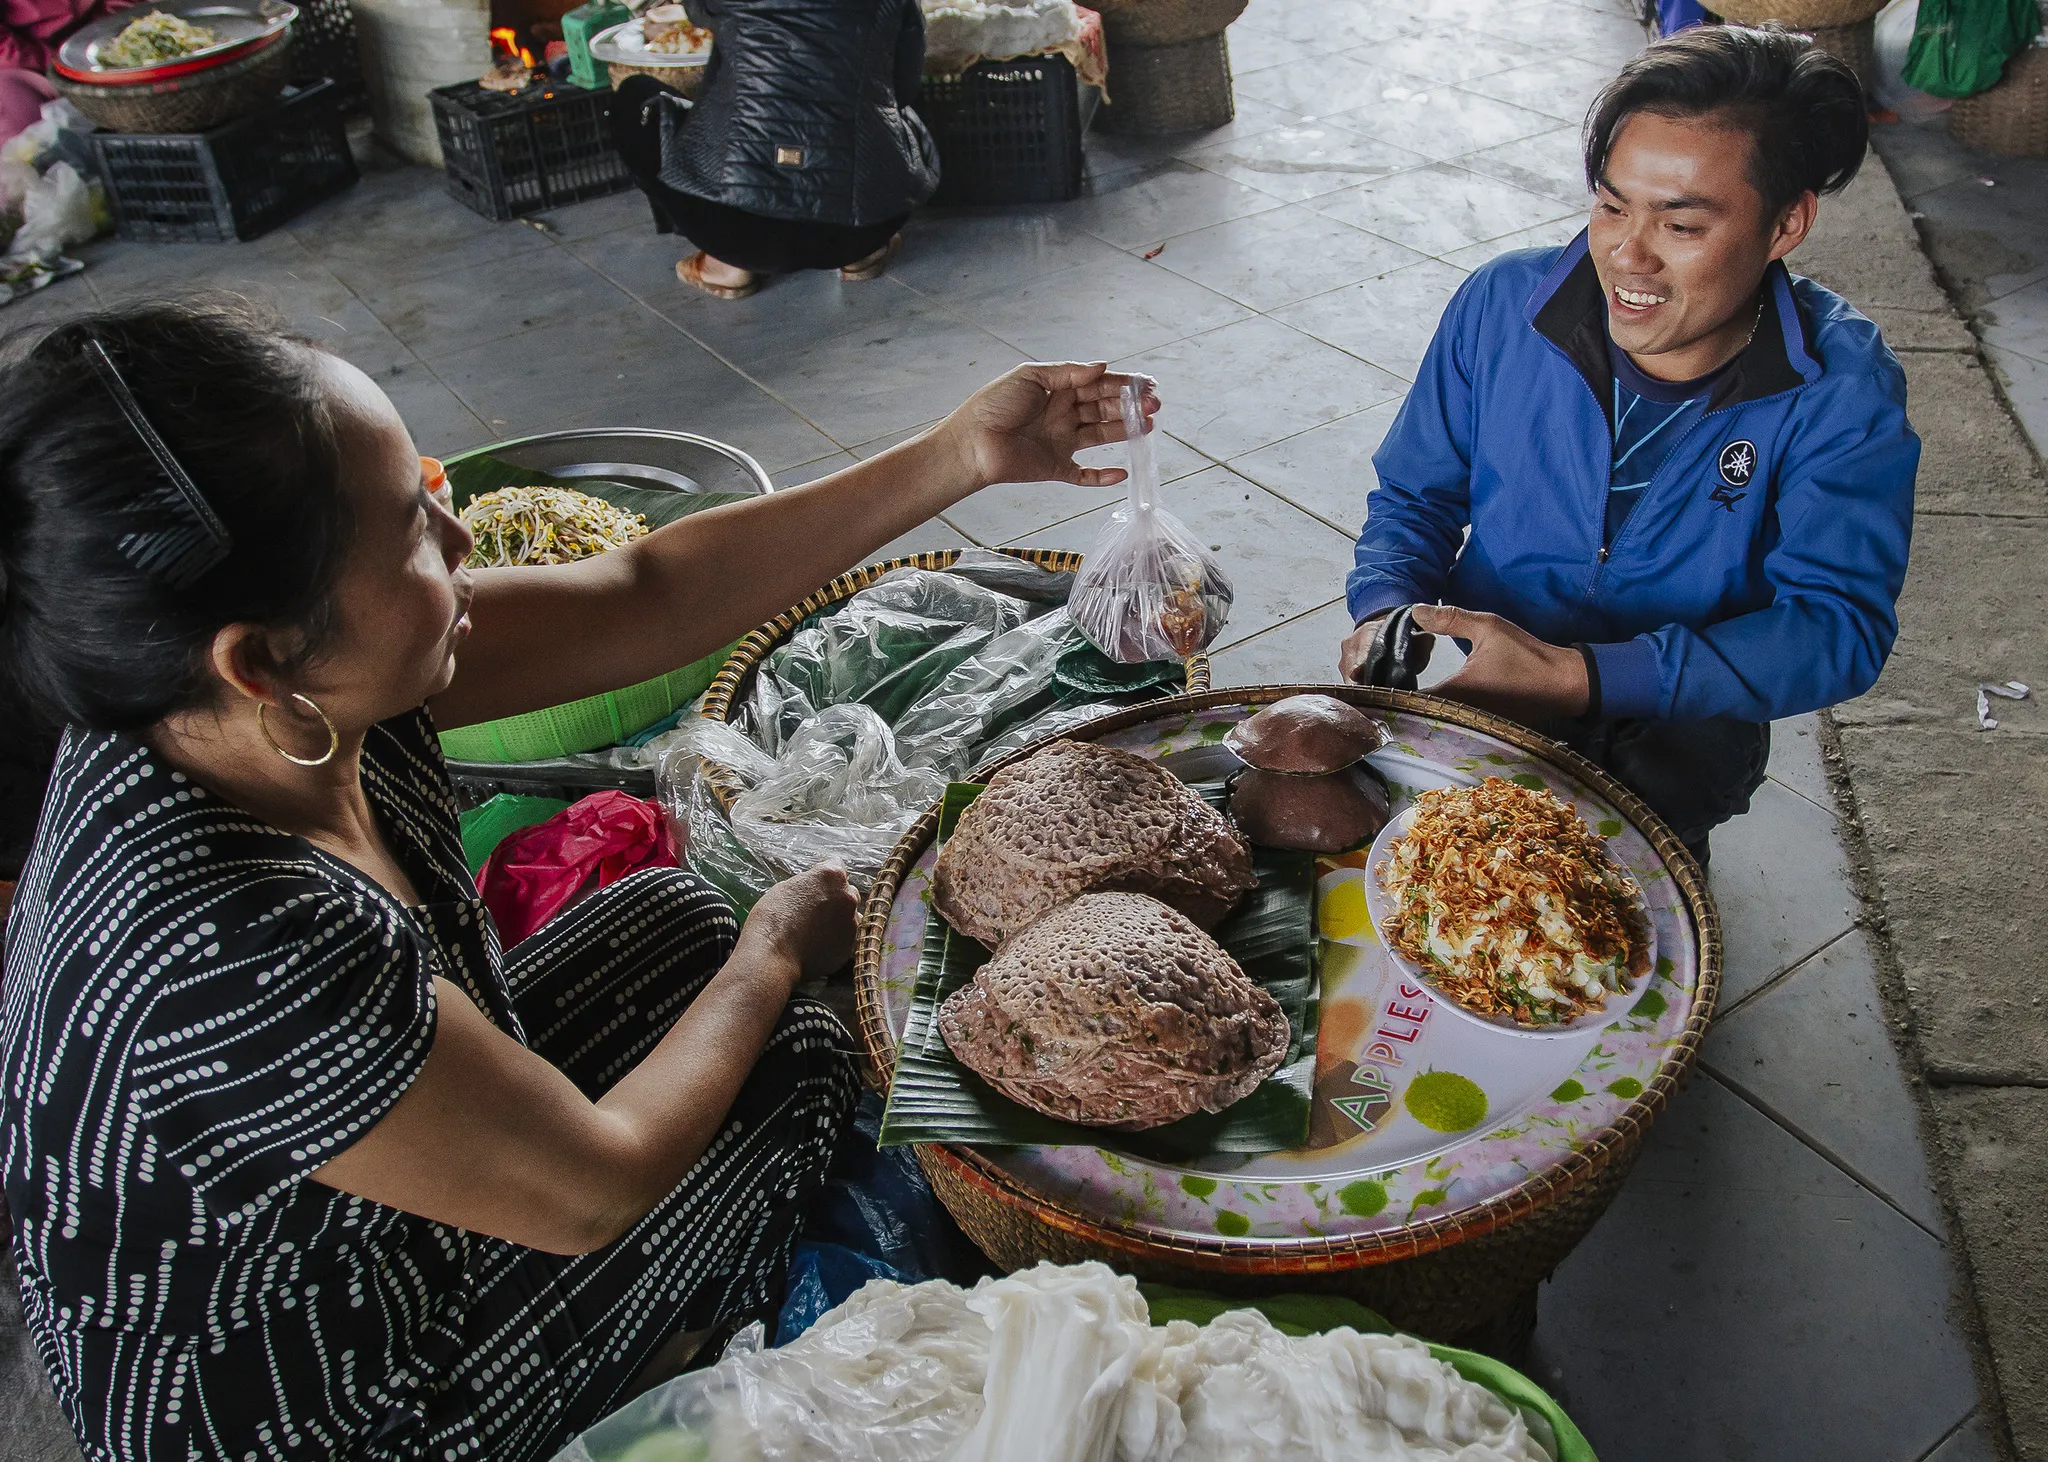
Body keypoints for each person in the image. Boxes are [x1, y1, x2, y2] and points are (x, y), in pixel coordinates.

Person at [0, 297, 1151, 1462]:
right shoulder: (233, 948)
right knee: (791, 1056)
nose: (455, 546)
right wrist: (767, 958)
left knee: (671, 909)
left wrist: (963, 451)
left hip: (359, 1208)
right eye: (409, 527)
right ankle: (657, 1369)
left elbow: (639, 596)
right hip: (325, 1403)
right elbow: (592, 1189)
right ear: (260, 661)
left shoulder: (249, 700)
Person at [1338, 24, 1918, 864]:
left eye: (1681, 226)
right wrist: (1385, 604)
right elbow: (1416, 494)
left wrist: (1586, 677)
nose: (1626, 257)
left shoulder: (1841, 388)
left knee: (1628, 917)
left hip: (1687, 734)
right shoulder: (1503, 308)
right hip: (1497, 699)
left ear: (1786, 224)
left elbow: (1837, 627)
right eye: (1612, 206)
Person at [608, 0, 937, 300]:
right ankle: (863, 254)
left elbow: (692, 13)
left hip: (734, 230)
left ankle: (724, 263)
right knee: (895, 112)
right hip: (857, 227)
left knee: (635, 97)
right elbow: (904, 88)